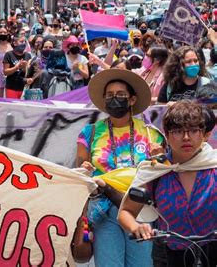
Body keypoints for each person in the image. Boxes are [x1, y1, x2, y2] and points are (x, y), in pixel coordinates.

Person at [76, 69, 165, 267]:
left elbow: (161, 171)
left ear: (132, 100)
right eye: (109, 95)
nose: (114, 99)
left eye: (121, 95)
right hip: (103, 211)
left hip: (141, 211)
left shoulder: (151, 134)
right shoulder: (89, 133)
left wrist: (158, 158)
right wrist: (85, 167)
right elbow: (81, 171)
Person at [118, 101, 216, 267]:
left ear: (204, 134)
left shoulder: (213, 166)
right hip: (169, 256)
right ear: (167, 135)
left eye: (193, 130)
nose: (186, 137)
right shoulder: (155, 170)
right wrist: (137, 227)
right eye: (178, 131)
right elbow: (125, 212)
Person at [3, 32, 32, 98]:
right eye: (21, 41)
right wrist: (16, 67)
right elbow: (5, 72)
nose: (23, 43)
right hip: (12, 87)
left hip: (24, 88)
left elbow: (28, 73)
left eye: (25, 41)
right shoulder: (9, 55)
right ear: (15, 43)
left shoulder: (28, 55)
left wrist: (25, 68)